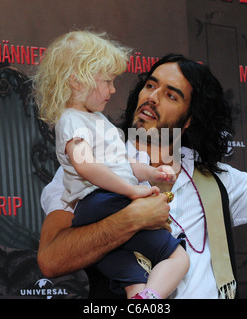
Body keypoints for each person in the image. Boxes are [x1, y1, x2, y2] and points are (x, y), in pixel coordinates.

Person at [37, 52, 247, 299]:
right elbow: (51, 260)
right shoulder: (91, 166)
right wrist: (131, 219)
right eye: (150, 85)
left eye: (171, 95)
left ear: (189, 120)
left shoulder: (218, 181)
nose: (153, 97)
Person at [32, 31, 189, 299]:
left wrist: (151, 173)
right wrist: (133, 193)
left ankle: (141, 296)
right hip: (103, 203)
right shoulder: (71, 119)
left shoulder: (98, 121)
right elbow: (86, 167)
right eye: (107, 81)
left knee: (134, 279)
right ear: (77, 81)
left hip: (98, 209)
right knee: (178, 258)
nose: (114, 89)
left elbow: (123, 164)